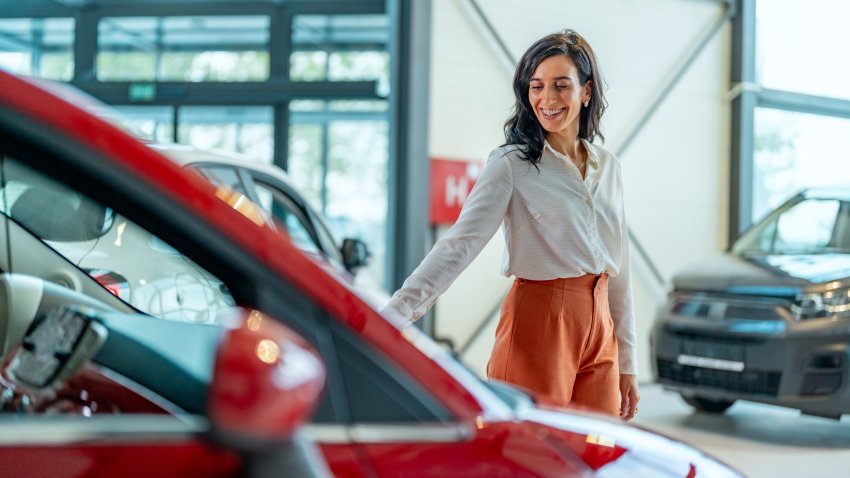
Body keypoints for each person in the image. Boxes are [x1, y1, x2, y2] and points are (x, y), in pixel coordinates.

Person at [382, 29, 639, 421]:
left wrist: (627, 360)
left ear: (586, 92)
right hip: (540, 321)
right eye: (536, 86)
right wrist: (392, 318)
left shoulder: (610, 167)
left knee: (596, 453)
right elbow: (459, 245)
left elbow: (620, 268)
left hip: (600, 326)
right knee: (532, 452)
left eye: (560, 86)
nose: (547, 100)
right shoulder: (512, 164)